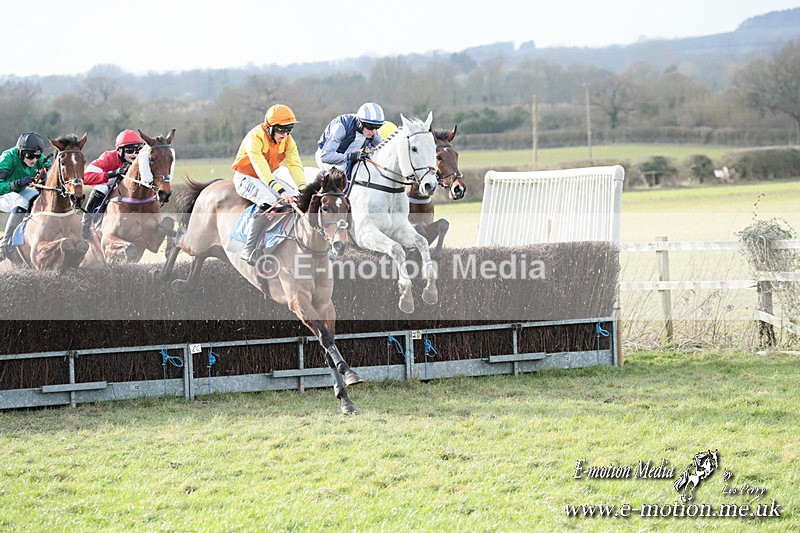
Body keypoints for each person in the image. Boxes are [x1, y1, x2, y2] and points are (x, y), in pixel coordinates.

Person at [232, 103, 307, 265]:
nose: (285, 134)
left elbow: (294, 164)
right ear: (269, 127)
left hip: (266, 177)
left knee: (296, 200)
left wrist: (303, 188)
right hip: (246, 177)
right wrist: (280, 191)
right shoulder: (255, 138)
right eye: (281, 130)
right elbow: (261, 168)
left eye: (289, 130)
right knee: (270, 201)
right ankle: (248, 248)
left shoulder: (288, 141)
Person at [81, 129, 145, 238]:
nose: (135, 154)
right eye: (130, 150)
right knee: (101, 188)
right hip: (110, 183)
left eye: (138, 150)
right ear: (119, 150)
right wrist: (112, 174)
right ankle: (86, 222)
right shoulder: (108, 157)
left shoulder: (142, 160)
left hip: (130, 189)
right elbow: (85, 177)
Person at [0, 132, 50, 261]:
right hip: (3, 195)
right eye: (30, 156)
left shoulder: (35, 155)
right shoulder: (8, 158)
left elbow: (48, 165)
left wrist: (46, 172)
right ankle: (3, 245)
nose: (34, 159)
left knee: (39, 197)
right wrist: (18, 183)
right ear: (21, 152)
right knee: (21, 202)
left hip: (18, 191)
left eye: (37, 156)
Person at [315, 102, 385, 172]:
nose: (374, 131)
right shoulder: (341, 127)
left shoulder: (372, 132)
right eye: (371, 127)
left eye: (378, 127)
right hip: (326, 157)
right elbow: (325, 157)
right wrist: (350, 156)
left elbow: (384, 149)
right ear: (359, 122)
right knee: (340, 173)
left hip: (347, 159)